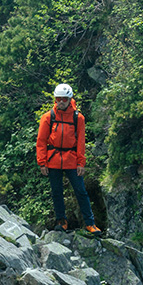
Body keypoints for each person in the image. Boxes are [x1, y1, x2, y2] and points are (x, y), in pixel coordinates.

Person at [36, 83, 102, 234]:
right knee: (56, 191)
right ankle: (61, 221)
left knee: (81, 191)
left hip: (71, 159)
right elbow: (41, 141)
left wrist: (81, 162)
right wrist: (42, 162)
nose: (60, 101)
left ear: (69, 99)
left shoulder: (78, 118)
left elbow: (81, 142)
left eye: (64, 99)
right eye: (58, 98)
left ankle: (90, 223)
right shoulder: (48, 117)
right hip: (52, 159)